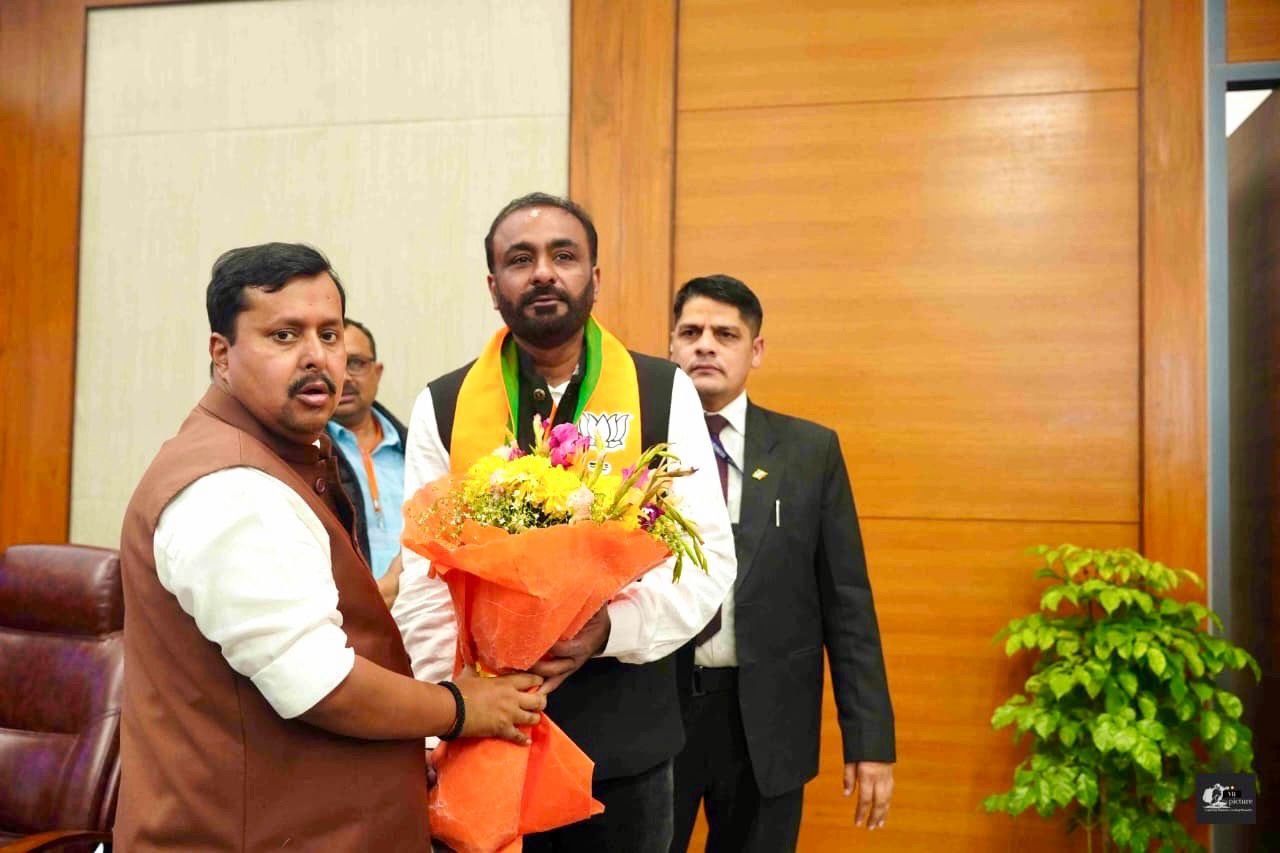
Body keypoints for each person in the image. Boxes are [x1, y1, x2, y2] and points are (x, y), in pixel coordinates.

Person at [115, 242, 545, 851]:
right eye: (284, 336)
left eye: (330, 334)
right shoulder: (232, 488)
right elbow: (319, 685)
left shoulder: (281, 456)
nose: (316, 357)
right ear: (222, 355)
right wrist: (458, 708)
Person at [392, 193, 737, 853]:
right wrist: (445, 715)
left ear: (595, 278)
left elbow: (708, 560)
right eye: (521, 259)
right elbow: (425, 580)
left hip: (625, 747)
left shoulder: (661, 390)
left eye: (564, 256)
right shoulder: (445, 404)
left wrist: (607, 629)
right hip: (489, 736)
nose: (544, 272)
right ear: (494, 286)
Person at [667, 274, 896, 852]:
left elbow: (848, 605)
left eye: (726, 334)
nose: (705, 346)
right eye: (691, 332)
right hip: (658, 716)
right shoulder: (638, 449)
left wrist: (869, 740)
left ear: (756, 350)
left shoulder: (809, 453)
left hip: (767, 725)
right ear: (671, 346)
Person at [327, 317, 408, 606]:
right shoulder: (305, 457)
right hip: (346, 620)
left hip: (421, 617)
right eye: (336, 365)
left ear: (377, 371)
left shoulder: (413, 448)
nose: (346, 378)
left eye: (356, 363)